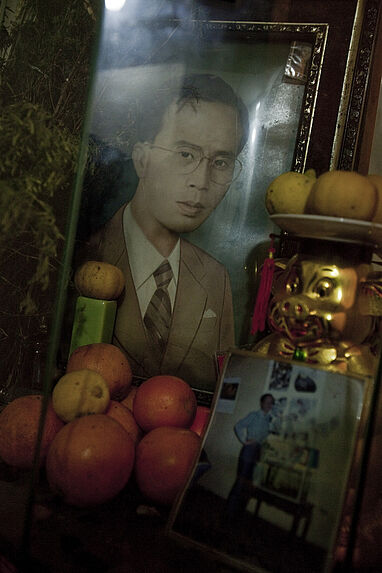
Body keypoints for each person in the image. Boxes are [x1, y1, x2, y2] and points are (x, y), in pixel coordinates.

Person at [83, 73, 249, 391]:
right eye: (185, 154)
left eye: (221, 162)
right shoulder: (86, 252)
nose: (201, 181)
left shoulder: (215, 279)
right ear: (142, 158)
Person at [227, 393, 275, 517]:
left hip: (257, 453)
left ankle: (238, 514)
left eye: (271, 402)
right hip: (248, 451)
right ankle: (229, 514)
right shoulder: (254, 415)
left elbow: (263, 438)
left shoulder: (268, 420)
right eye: (267, 402)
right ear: (262, 403)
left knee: (248, 486)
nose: (269, 404)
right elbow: (238, 426)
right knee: (240, 483)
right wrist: (244, 441)